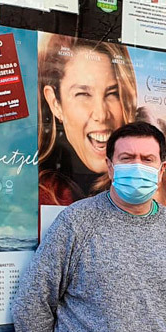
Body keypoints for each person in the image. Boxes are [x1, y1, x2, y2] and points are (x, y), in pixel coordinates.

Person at [13, 121, 166, 332]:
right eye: (127, 158)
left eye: (147, 159)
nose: (137, 166)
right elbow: (32, 304)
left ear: (162, 169)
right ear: (110, 166)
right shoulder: (76, 223)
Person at [37, 35, 138, 205]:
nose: (101, 114)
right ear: (55, 103)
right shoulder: (36, 195)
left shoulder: (145, 181)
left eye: (113, 93)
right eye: (83, 94)